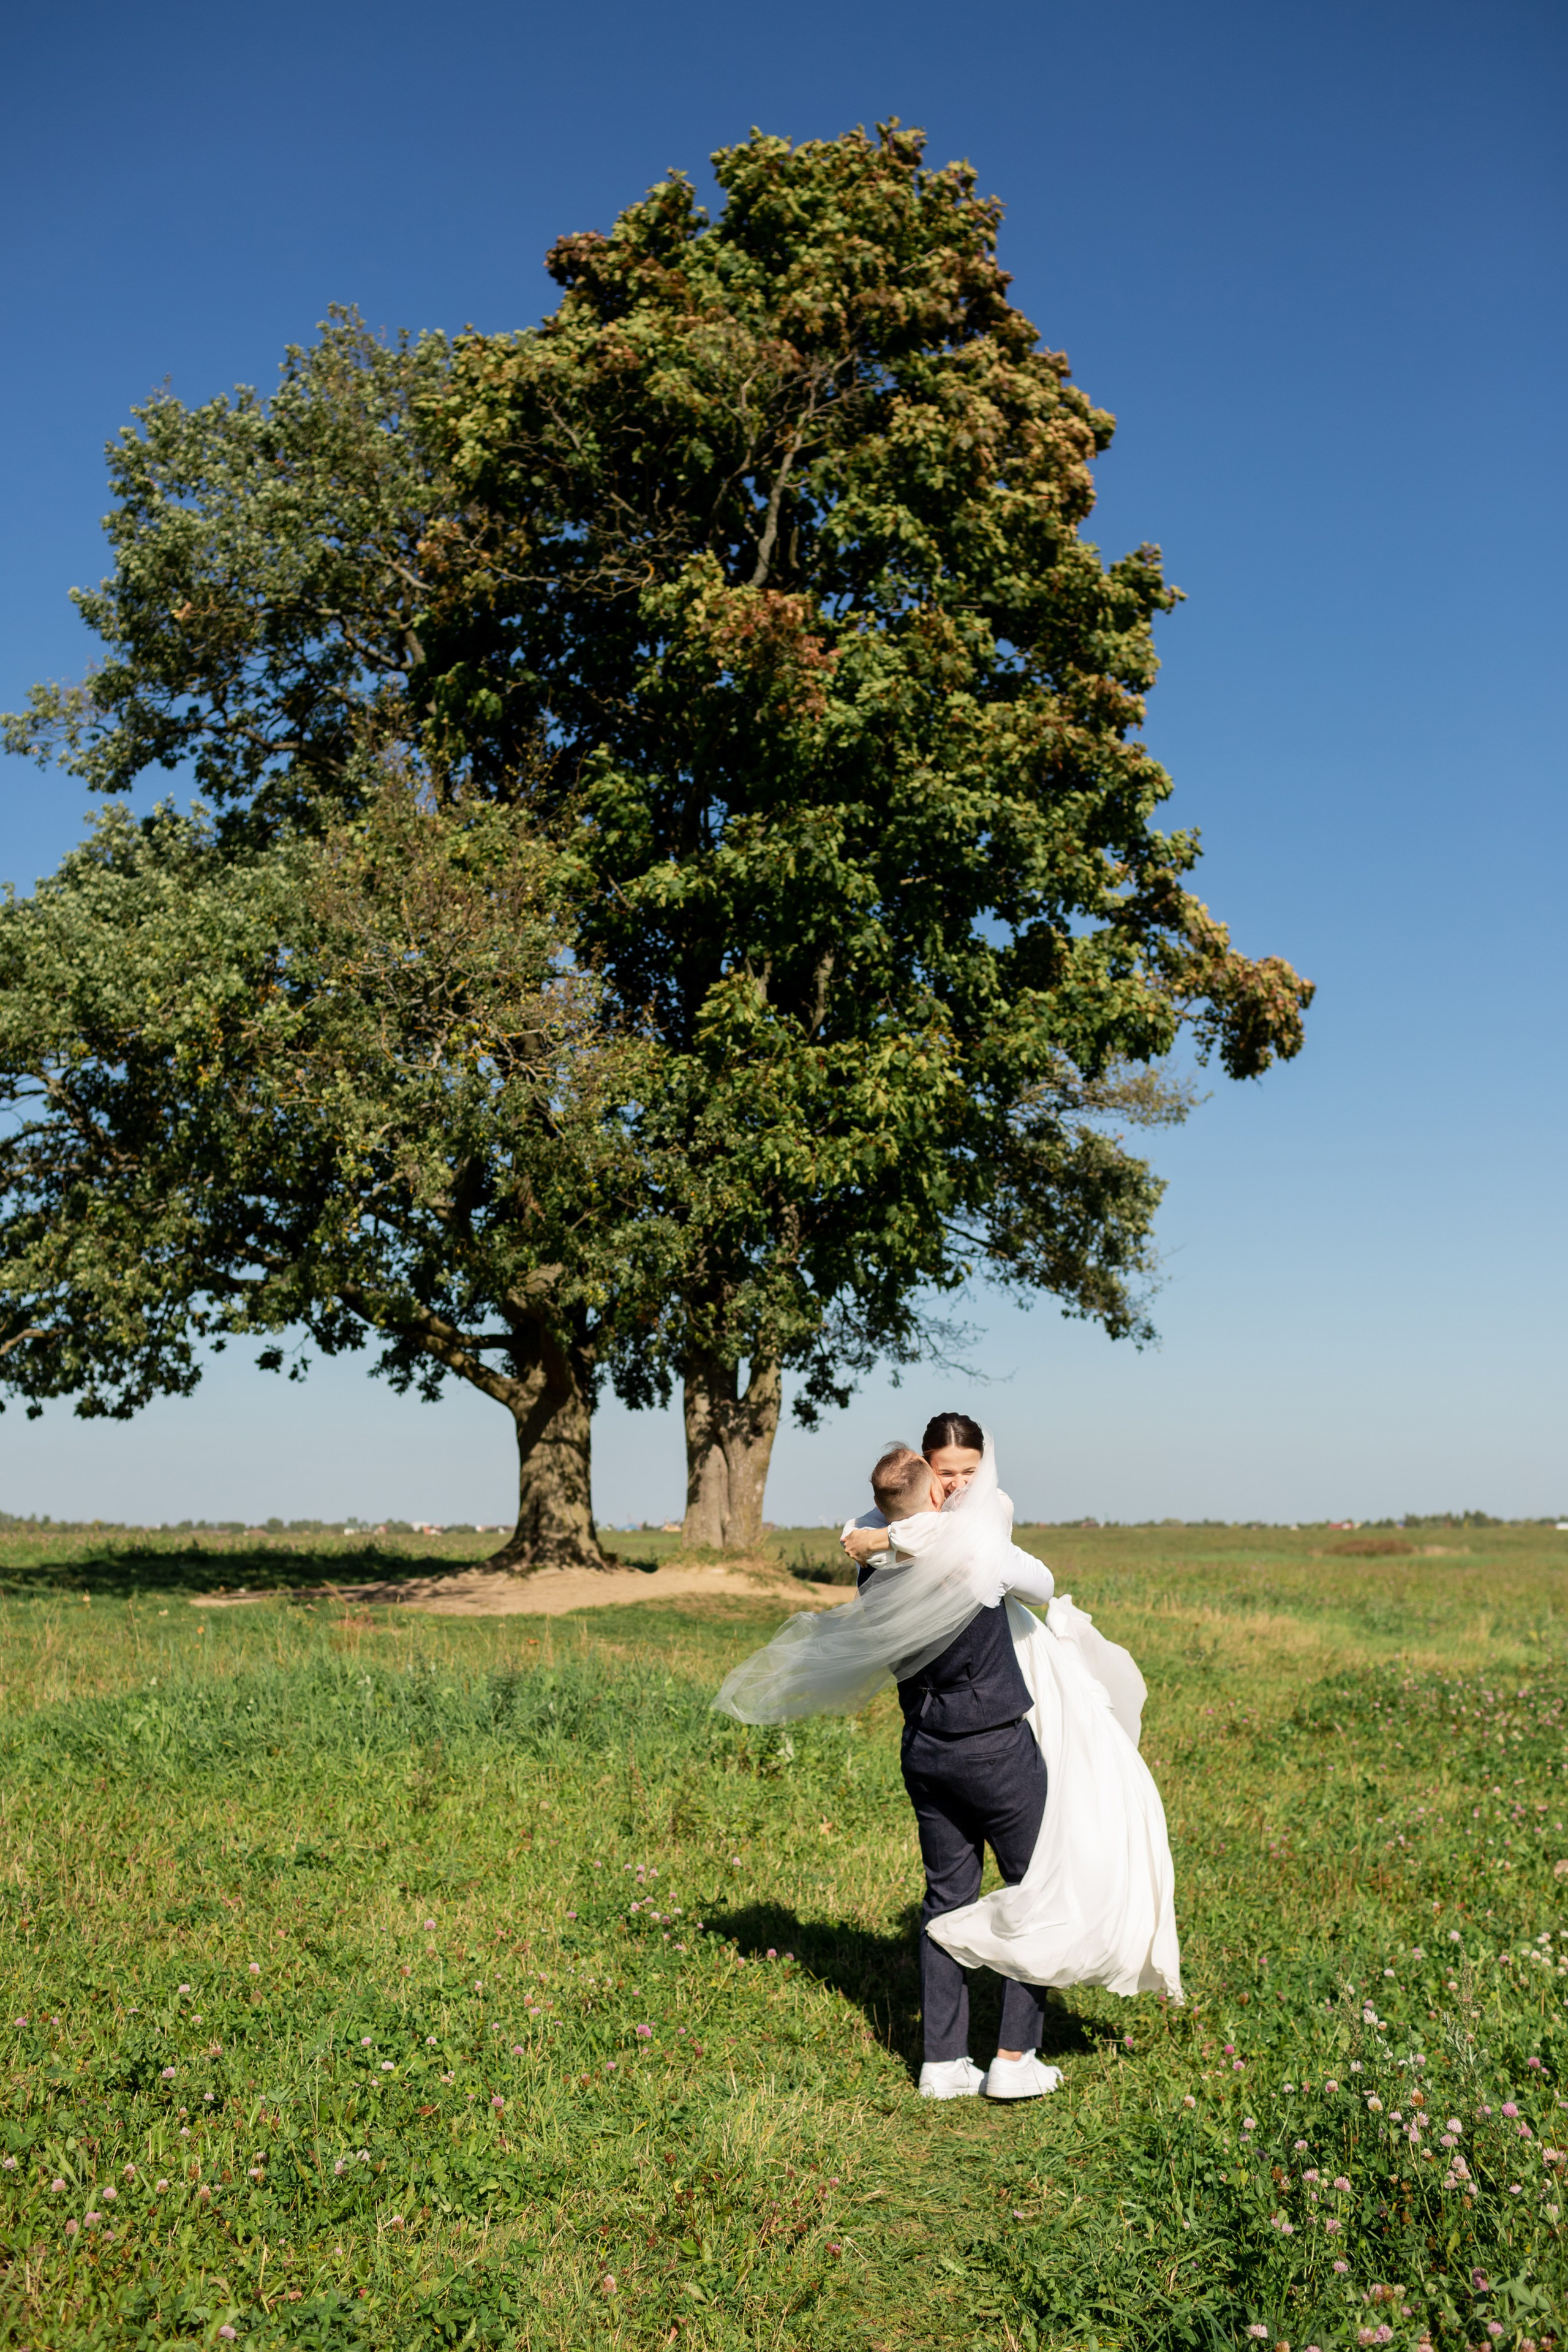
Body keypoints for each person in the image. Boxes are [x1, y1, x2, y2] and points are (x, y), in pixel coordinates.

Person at [711, 1422, 1181, 2105]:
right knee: (1036, 1890)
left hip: (924, 1750)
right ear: (932, 1486)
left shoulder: (871, 1568)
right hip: (994, 1747)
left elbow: (887, 1528)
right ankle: (1014, 2057)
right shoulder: (973, 1554)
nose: (960, 1488)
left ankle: (942, 2062)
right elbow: (1036, 1578)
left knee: (944, 1898)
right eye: (945, 1477)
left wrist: (879, 1533)